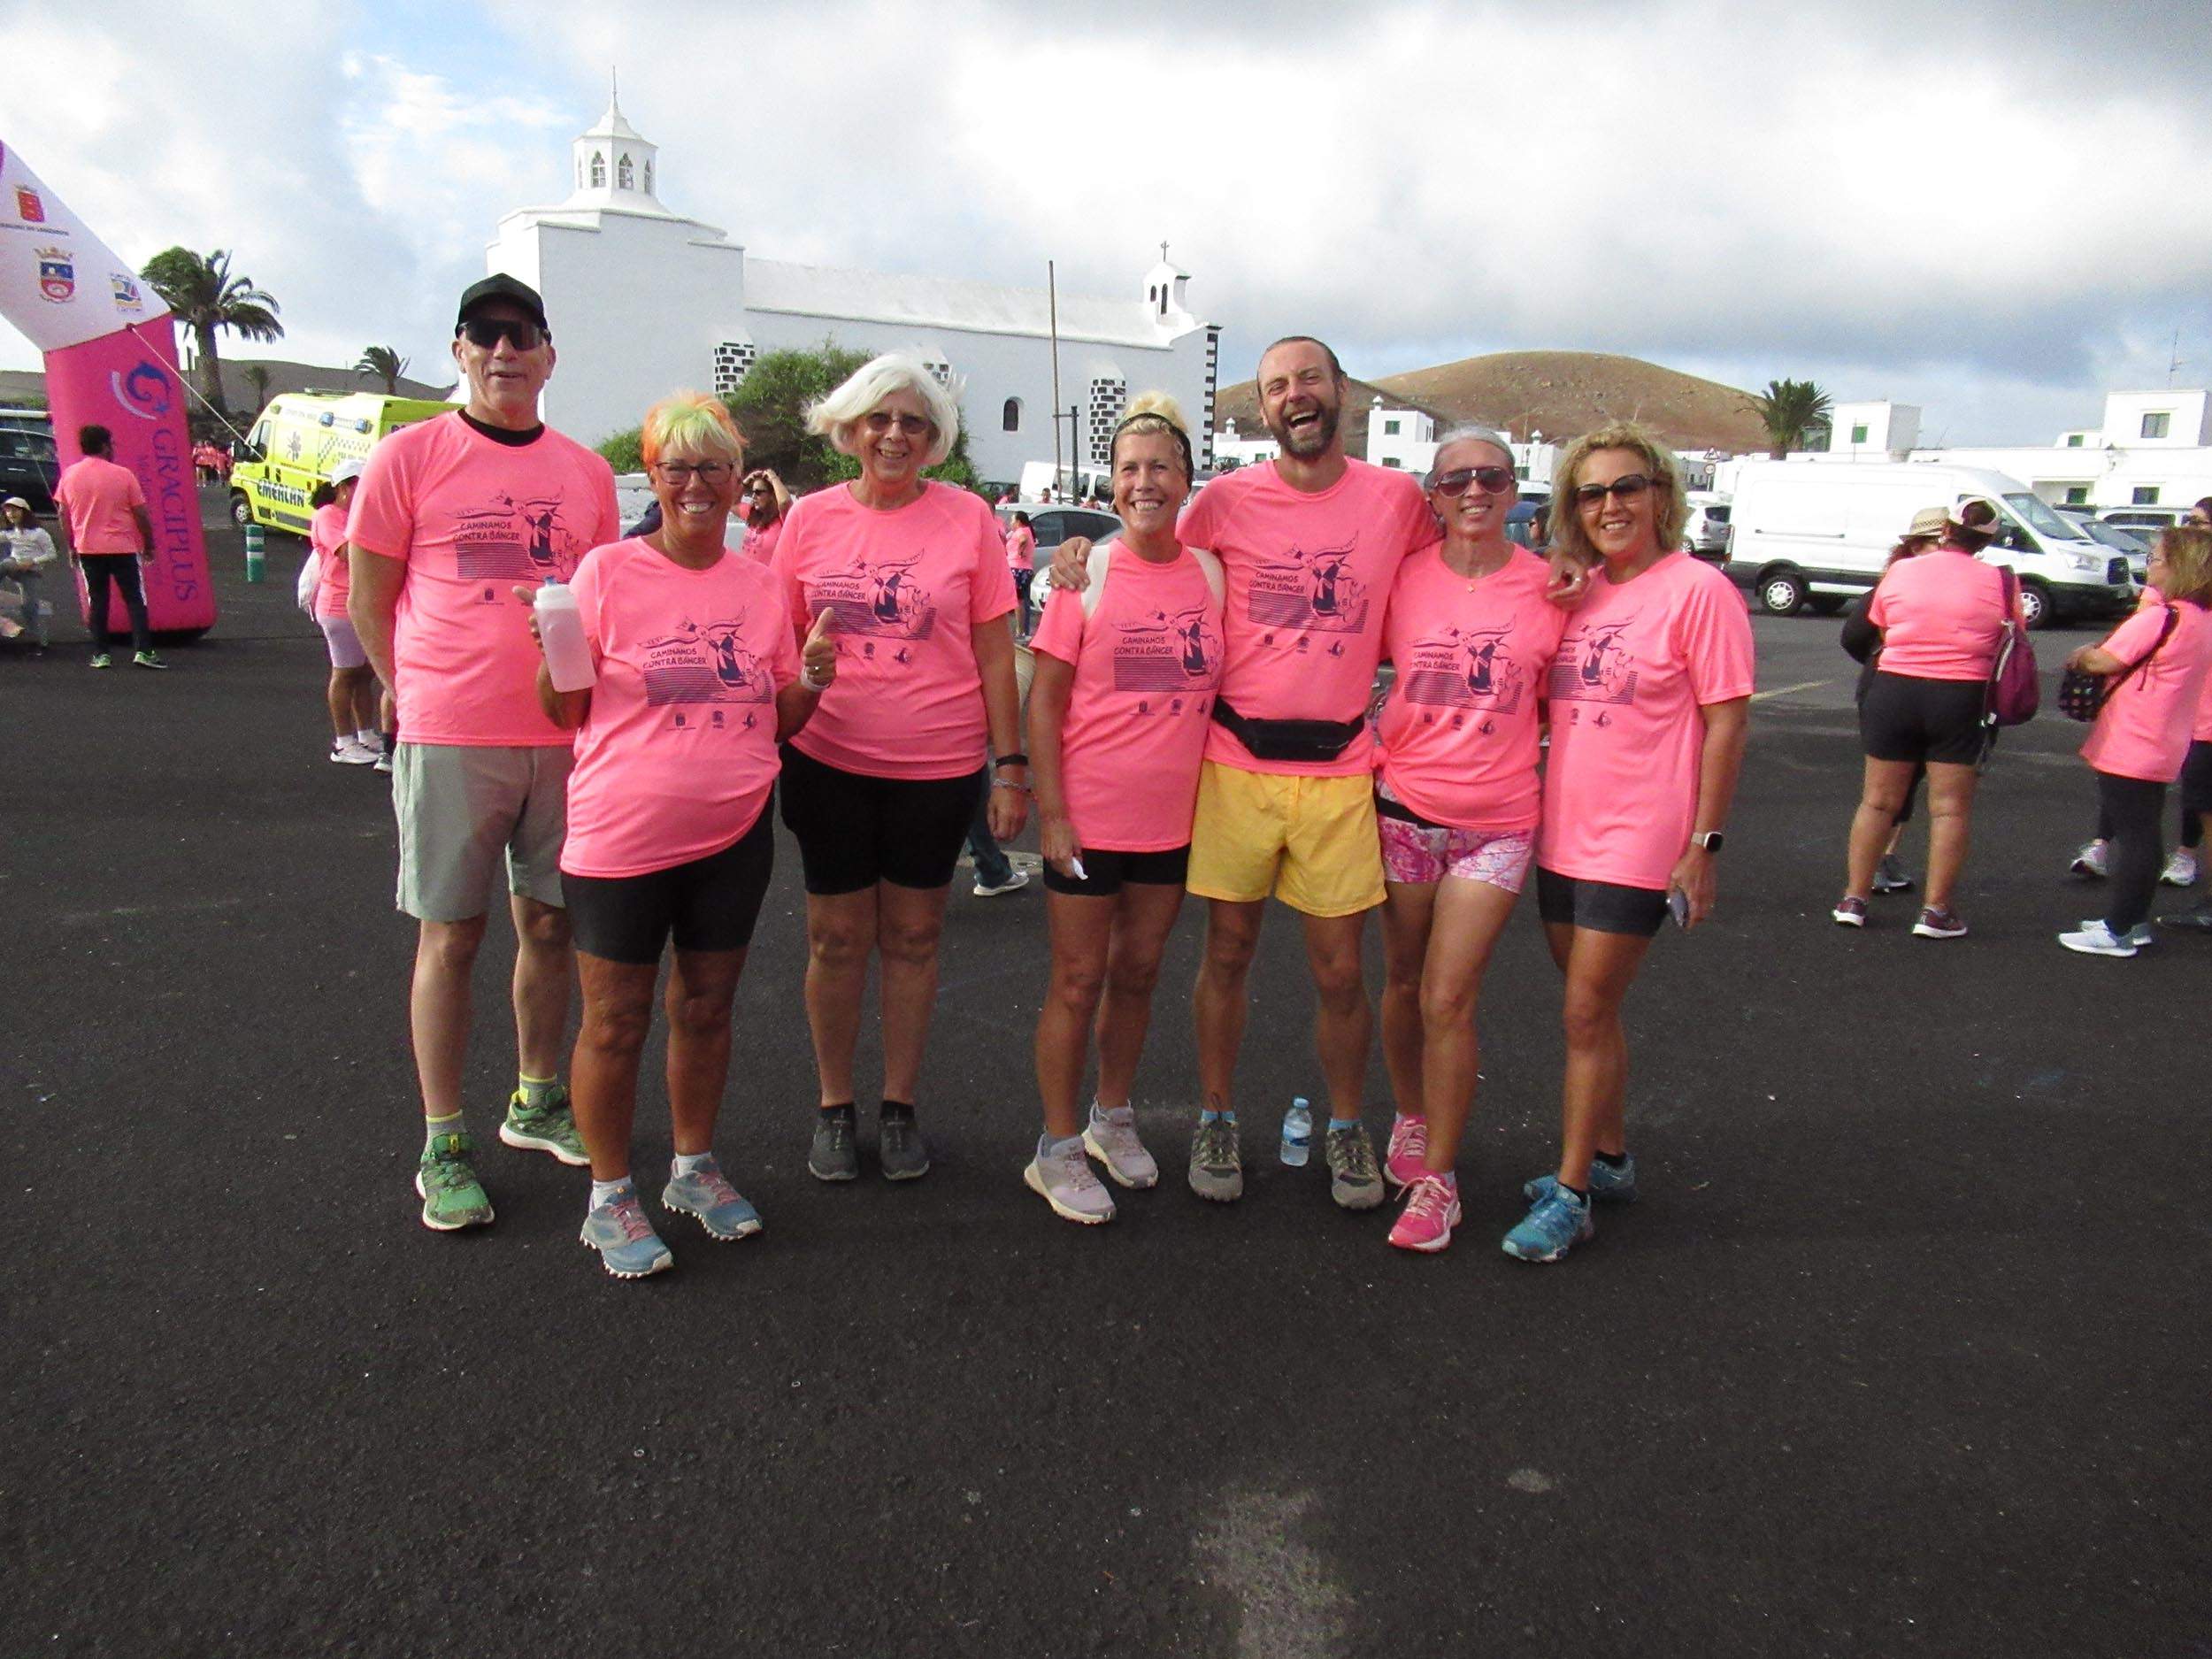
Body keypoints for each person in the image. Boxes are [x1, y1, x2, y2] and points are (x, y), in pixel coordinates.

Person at [1050, 337, 1440, 1211]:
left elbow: (1462, 561)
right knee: (1226, 952)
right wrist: (1070, 561)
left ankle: (1347, 1126)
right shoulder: (1223, 501)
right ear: (1261, 409)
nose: (1295, 396)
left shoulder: (1396, 500)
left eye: (1309, 379)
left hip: (1339, 767)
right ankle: (1215, 1116)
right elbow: (1143, 542)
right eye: (1276, 387)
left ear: (1340, 390)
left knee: (1341, 971)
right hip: (1233, 763)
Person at [526, 393, 833, 1276]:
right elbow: (568, 709)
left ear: (740, 481)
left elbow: (778, 721)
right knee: (616, 1021)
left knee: (704, 1009)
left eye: (714, 467)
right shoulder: (606, 573)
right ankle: (610, 1195)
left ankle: (693, 1168)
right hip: (621, 835)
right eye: (678, 468)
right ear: (654, 477)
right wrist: (548, 653)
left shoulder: (759, 583)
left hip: (734, 828)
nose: (696, 484)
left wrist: (811, 681)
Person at [348, 273, 621, 1231]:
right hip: (453, 731)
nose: (505, 351)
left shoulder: (586, 474)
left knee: (549, 926)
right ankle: (443, 1137)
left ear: (550, 356)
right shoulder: (409, 456)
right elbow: (366, 598)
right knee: (451, 936)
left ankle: (537, 1099)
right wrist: (408, 691)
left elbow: (600, 602)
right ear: (459, 351)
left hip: (561, 736)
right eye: (485, 335)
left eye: (523, 336)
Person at [770, 353, 1025, 1182]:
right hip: (829, 759)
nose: (894, 434)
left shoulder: (968, 520)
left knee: (915, 936)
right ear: (850, 428)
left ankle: (901, 1103)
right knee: (837, 939)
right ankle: (835, 1105)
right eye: (879, 418)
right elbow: (775, 645)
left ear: (935, 439)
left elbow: (995, 654)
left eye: (913, 422)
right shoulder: (807, 520)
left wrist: (1011, 766)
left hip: (938, 766)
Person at [1505, 420, 1752, 1263]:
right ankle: (1609, 1157)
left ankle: (1570, 1193)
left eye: (1628, 487)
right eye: (1592, 491)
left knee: (1582, 1010)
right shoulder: (1577, 591)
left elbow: (1726, 722)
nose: (1612, 504)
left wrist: (1703, 844)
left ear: (1660, 495)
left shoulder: (1699, 592)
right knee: (1592, 1008)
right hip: (1563, 830)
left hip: (1642, 837)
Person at [1024, 394, 1223, 1224]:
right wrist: (1053, 814)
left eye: (1161, 468)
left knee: (1138, 974)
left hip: (1171, 822)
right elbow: (1044, 705)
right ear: (1112, 486)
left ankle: (1112, 1116)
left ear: (1186, 481)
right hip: (1091, 819)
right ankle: (1057, 1147)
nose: (1146, 483)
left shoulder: (1212, 574)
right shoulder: (1088, 572)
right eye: (1130, 470)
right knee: (1077, 980)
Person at [1371, 428, 1568, 1252]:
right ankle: (1411, 1113)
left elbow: (1573, 699)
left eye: (1490, 475)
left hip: (1498, 819)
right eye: (1456, 480)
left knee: (1448, 996)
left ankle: (1440, 1182)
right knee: (1404, 978)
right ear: (1434, 495)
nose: (1474, 490)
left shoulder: (1551, 586)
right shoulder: (1402, 579)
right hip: (1404, 805)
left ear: (1516, 487)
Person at [1830, 498, 2015, 937]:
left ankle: (1854, 899)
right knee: (1949, 810)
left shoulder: (1900, 572)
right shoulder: (2000, 581)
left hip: (1893, 689)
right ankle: (1936, 911)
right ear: (1988, 540)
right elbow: (2011, 635)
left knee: (1877, 800)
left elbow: (1879, 623)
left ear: (1947, 529)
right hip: (1961, 693)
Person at [2059, 527, 2212, 956]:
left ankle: (2120, 928)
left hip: (2136, 734)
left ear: (2180, 566)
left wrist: (2085, 653)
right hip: (2166, 733)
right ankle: (2133, 920)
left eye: (2157, 558)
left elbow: (2108, 657)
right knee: (2143, 828)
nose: (2151, 564)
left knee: (2136, 835)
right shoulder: (2201, 618)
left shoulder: (2163, 616)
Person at [52, 424, 162, 670]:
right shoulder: (123, 474)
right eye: (111, 443)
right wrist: (149, 543)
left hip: (88, 547)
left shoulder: (70, 475)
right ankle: (144, 650)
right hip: (122, 546)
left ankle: (101, 653)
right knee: (135, 599)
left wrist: (71, 545)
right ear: (104, 445)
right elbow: (141, 513)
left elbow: (63, 514)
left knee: (98, 600)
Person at [310, 458, 381, 764]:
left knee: (364, 674)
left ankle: (365, 733)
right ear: (343, 487)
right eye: (359, 487)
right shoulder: (328, 515)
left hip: (358, 603)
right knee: (345, 673)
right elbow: (348, 553)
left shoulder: (356, 516)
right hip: (337, 604)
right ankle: (343, 742)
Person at [0, 495, 57, 651]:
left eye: (15, 511)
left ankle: (36, 635)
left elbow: (52, 554)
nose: (11, 514)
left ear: (25, 512)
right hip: (14, 567)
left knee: (29, 605)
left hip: (31, 573)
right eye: (8, 512)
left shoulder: (39, 533)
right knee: (6, 563)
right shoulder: (11, 533)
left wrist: (32, 562)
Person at [737, 468, 790, 565]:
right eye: (752, 492)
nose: (753, 497)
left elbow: (784, 502)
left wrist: (774, 478)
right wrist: (745, 483)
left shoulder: (782, 520)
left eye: (758, 492)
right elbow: (731, 503)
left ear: (772, 494)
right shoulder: (751, 514)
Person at [1005, 510, 1036, 634]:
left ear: (1018, 522)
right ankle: (1023, 629)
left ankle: (1019, 629)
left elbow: (1023, 540)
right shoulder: (1028, 531)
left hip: (1017, 568)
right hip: (1025, 568)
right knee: (1021, 600)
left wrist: (1020, 550)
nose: (1011, 523)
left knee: (1017, 600)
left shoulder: (1021, 531)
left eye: (1012, 520)